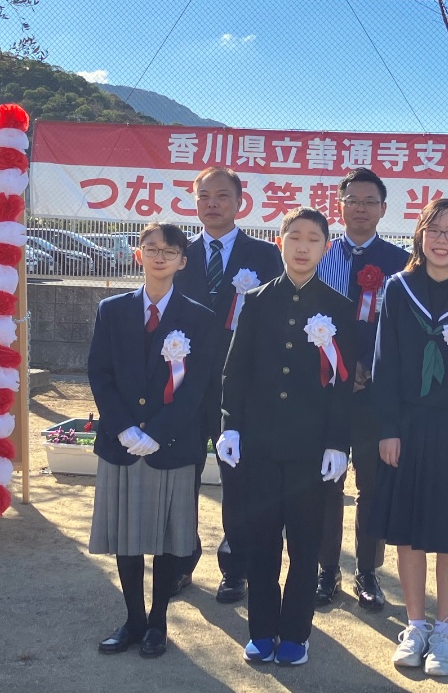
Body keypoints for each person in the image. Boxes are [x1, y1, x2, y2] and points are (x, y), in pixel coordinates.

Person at [216, 207, 356, 666]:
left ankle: (295, 632)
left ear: (325, 248)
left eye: (313, 239)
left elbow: (341, 383)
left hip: (311, 449)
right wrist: (230, 424)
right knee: (262, 541)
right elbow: (235, 370)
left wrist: (339, 441)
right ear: (279, 242)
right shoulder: (256, 301)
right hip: (258, 444)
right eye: (293, 236)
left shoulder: (339, 308)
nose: (302, 246)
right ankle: (261, 631)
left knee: (304, 542)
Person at [368, 198, 448, 678]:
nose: (442, 240)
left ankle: (445, 630)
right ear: (420, 234)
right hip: (407, 430)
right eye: (434, 230)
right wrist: (387, 429)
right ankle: (415, 624)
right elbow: (384, 367)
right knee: (409, 534)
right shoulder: (397, 289)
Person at [87, 222, 221, 659]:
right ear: (137, 254)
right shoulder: (112, 310)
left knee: (166, 537)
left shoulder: (199, 318)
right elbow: (100, 374)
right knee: (126, 535)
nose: (159, 255)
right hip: (120, 442)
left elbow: (198, 385)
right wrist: (123, 426)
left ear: (183, 260)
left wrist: (158, 433)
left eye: (170, 250)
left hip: (173, 444)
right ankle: (133, 619)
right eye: (151, 247)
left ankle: (158, 622)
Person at [172, 166, 282, 603]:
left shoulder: (263, 255)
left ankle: (235, 567)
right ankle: (180, 559)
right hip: (183, 384)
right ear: (194, 202)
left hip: (239, 387)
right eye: (204, 196)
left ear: (240, 203)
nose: (212, 204)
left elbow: (274, 323)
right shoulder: (179, 252)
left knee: (238, 477)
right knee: (182, 473)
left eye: (221, 196)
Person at [315, 168, 409, 610]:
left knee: (373, 483)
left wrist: (369, 368)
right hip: (325, 388)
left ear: (383, 209)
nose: (361, 208)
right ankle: (325, 569)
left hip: (375, 393)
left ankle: (368, 573)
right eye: (353, 199)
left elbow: (404, 329)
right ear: (340, 204)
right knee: (326, 481)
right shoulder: (321, 254)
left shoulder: (401, 261)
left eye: (371, 201)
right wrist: (338, 365)